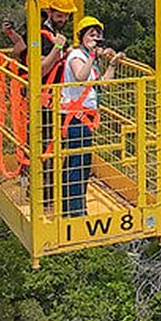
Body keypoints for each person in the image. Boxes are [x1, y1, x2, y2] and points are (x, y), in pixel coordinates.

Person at [60, 15, 124, 217]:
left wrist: (112, 64)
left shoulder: (88, 57)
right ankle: (76, 210)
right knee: (78, 164)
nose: (95, 38)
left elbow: (102, 84)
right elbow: (80, 77)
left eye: (98, 35)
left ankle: (69, 206)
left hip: (84, 117)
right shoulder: (77, 56)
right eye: (91, 34)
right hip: (75, 117)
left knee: (80, 161)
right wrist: (93, 56)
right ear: (82, 36)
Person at [40, 0, 75, 209]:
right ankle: (46, 197)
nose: (64, 19)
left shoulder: (56, 34)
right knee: (46, 147)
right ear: (50, 11)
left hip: (58, 98)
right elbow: (41, 69)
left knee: (58, 146)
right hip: (44, 99)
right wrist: (59, 47)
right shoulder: (42, 35)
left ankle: (54, 194)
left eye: (66, 15)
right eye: (60, 14)